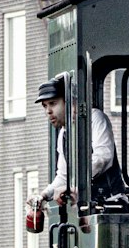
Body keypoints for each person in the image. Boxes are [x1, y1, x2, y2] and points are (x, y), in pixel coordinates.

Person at [30, 77, 123, 219]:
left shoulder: (95, 119)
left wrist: (70, 186)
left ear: (68, 101)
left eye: (53, 103)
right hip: (86, 209)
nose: (48, 111)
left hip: (112, 205)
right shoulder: (63, 134)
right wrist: (43, 196)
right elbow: (63, 175)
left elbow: (103, 158)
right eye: (45, 106)